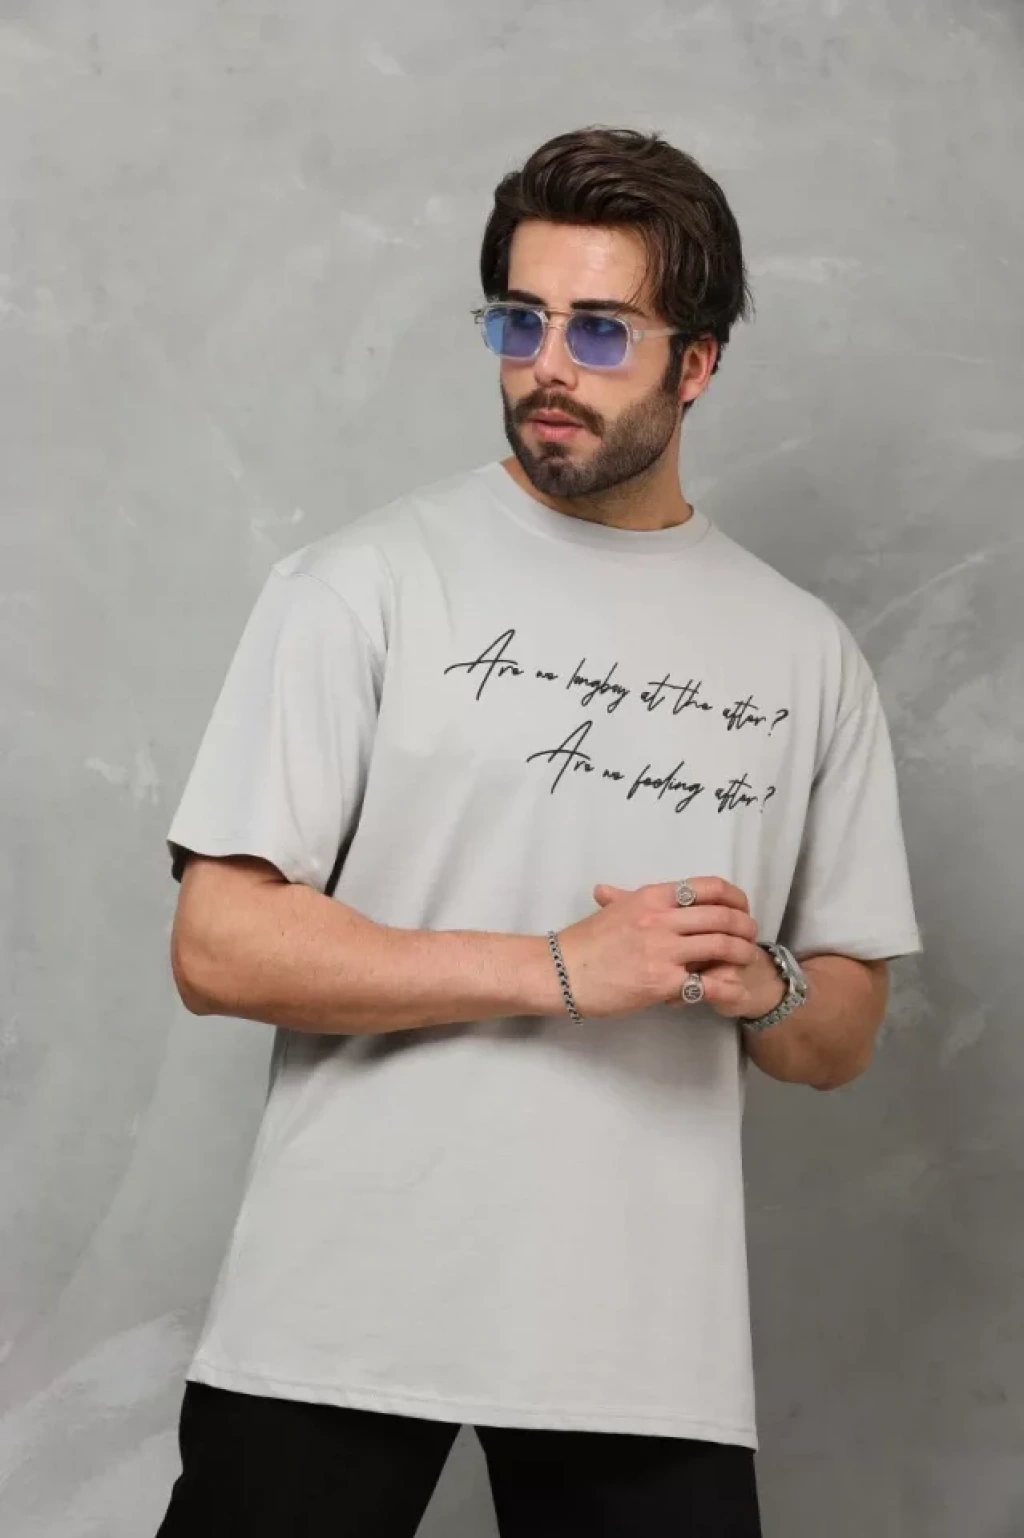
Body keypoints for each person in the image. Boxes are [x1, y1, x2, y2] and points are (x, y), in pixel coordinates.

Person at [155, 127, 921, 1538]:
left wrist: (766, 984)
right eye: (520, 320)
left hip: (643, 1348)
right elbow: (219, 942)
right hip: (336, 1313)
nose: (547, 366)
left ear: (698, 363)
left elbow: (843, 1030)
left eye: (600, 330)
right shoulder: (359, 586)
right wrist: (560, 967)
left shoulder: (803, 653)